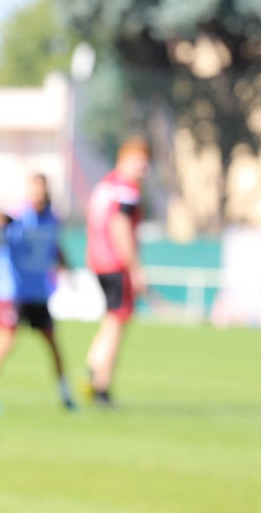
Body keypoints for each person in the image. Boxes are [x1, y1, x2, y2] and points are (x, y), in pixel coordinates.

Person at [0, 173, 75, 416]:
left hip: (37, 292)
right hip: (11, 292)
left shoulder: (52, 218)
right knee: (5, 340)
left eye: (42, 190)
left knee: (52, 343)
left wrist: (66, 266)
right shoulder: (16, 215)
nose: (38, 195)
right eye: (34, 190)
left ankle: (66, 396)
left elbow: (54, 246)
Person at [83, 137, 150, 407]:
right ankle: (101, 386)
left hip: (100, 263)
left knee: (111, 319)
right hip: (117, 264)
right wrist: (136, 268)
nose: (144, 168)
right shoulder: (126, 189)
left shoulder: (105, 185)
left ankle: (94, 364)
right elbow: (120, 227)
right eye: (140, 161)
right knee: (118, 324)